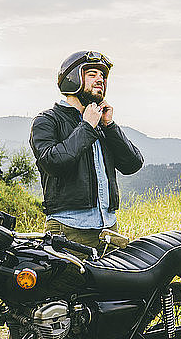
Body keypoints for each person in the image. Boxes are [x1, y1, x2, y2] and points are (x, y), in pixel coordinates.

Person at [29, 50, 143, 251]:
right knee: (69, 284)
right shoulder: (47, 121)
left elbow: (133, 164)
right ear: (72, 79)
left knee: (115, 284)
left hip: (109, 230)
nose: (100, 79)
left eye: (102, 76)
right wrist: (86, 127)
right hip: (68, 231)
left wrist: (110, 126)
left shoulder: (101, 124)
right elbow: (53, 163)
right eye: (92, 74)